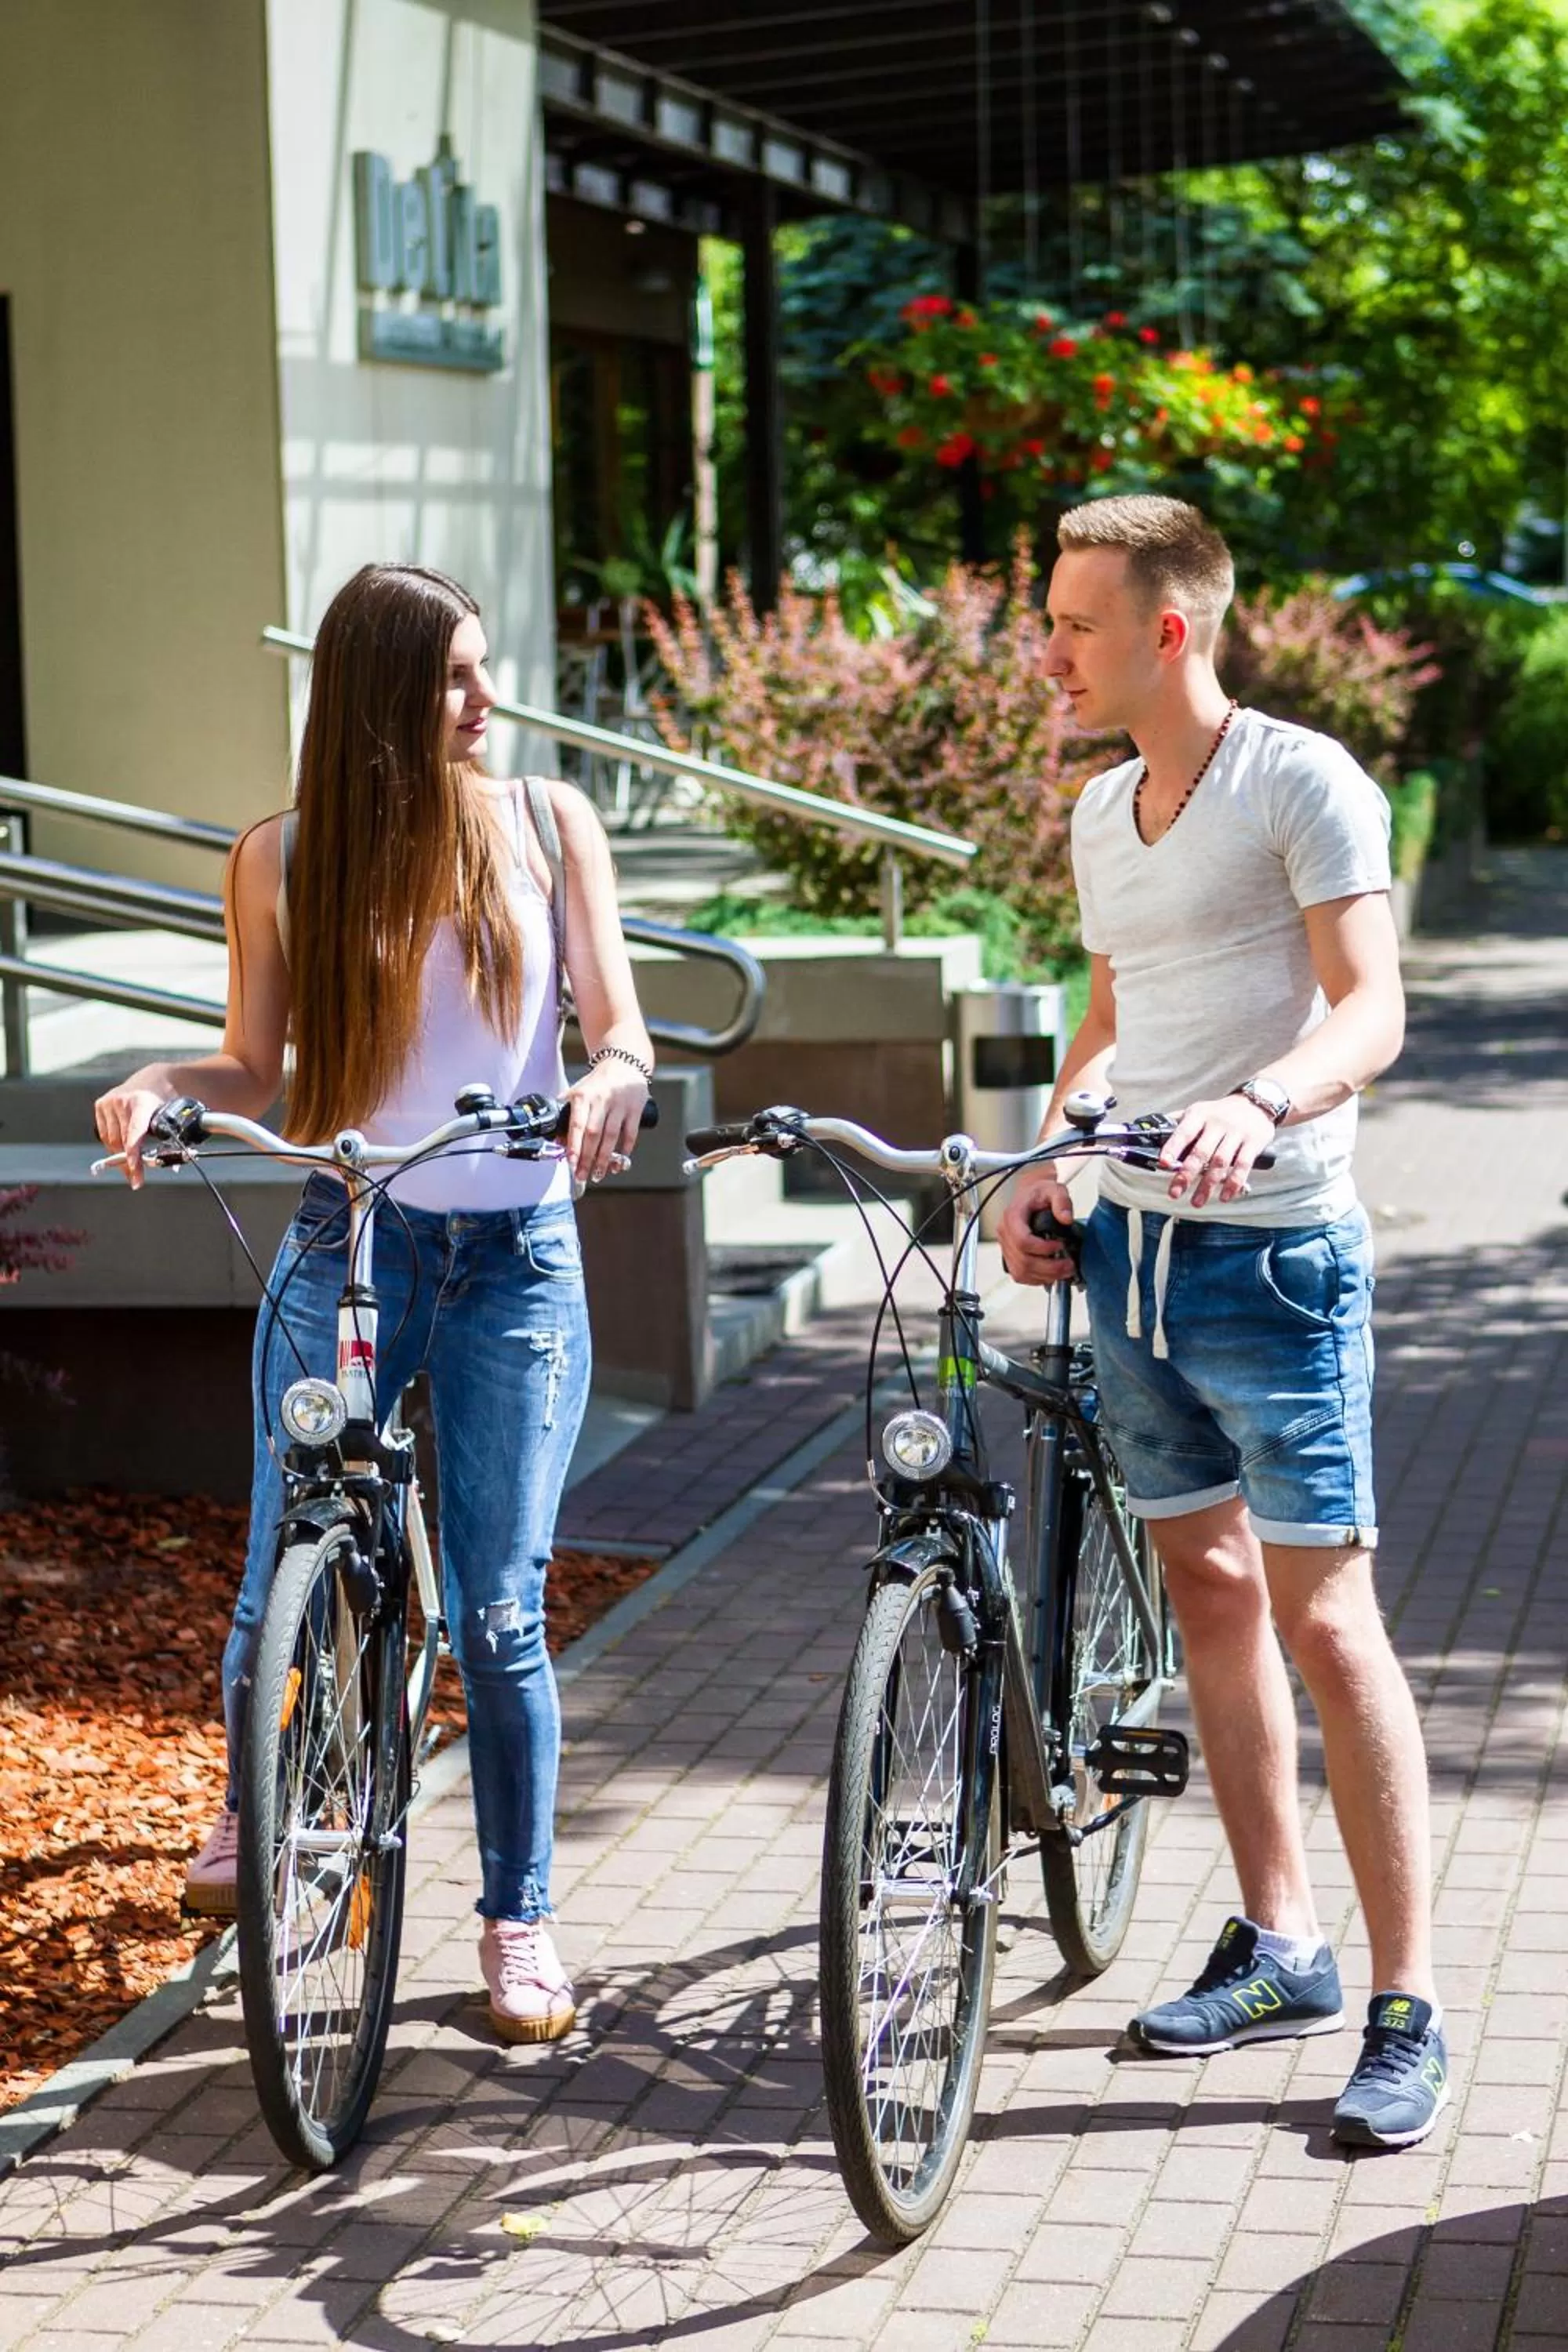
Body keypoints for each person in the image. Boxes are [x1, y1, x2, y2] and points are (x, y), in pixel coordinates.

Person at [93, 562, 654, 2045]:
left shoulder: (547, 823)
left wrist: (613, 1073)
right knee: (281, 1552)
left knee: (497, 1614)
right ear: (381, 697)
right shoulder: (281, 855)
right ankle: (253, 1809)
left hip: (516, 1259)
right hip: (352, 1235)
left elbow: (623, 1026)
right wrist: (161, 1083)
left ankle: (518, 1918)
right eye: (456, 676)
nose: (488, 699)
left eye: (484, 667)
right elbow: (252, 1071)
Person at [999, 495, 1446, 2151]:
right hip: (1131, 1264)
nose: (1047, 648)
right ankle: (1283, 1945)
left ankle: (1405, 2003)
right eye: (1049, 618)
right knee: (1207, 1591)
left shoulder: (1299, 780)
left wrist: (1262, 1099)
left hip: (1273, 1264)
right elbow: (1112, 1016)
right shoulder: (1105, 811)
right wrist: (1053, 1152)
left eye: (1074, 622)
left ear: (1166, 630)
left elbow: (1371, 1006)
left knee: (1330, 1623)